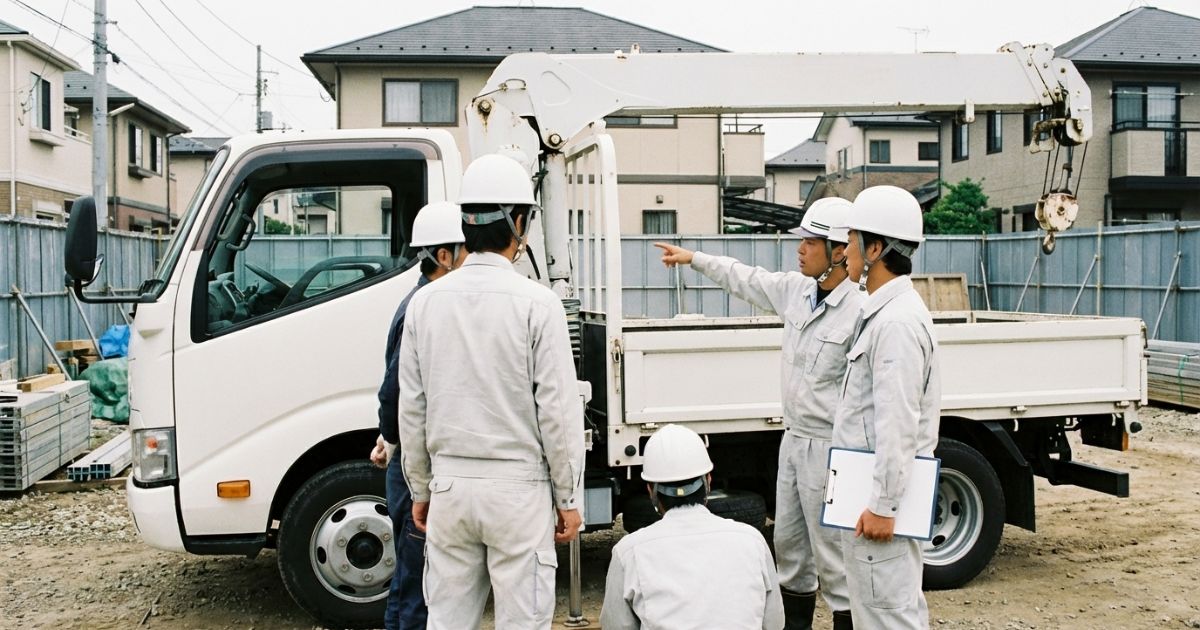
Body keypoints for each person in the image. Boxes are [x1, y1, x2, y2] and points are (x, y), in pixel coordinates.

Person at [655, 197, 861, 630]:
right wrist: (694, 258)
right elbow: (745, 279)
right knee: (789, 548)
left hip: (833, 449)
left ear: (840, 250)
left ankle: (846, 619)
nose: (800, 250)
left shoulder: (860, 311)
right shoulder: (798, 292)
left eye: (810, 242)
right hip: (794, 441)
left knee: (836, 557)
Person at [398, 153, 584, 630]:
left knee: (447, 621)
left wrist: (420, 488)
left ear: (465, 223)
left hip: (451, 488)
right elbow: (559, 413)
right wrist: (568, 496)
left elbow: (412, 410)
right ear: (519, 222)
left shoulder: (425, 304)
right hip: (519, 493)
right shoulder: (539, 305)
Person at [833, 185, 941, 629]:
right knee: (887, 611)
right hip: (869, 501)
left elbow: (899, 424)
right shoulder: (886, 313)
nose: (844, 252)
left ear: (875, 249)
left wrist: (883, 505)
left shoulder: (896, 323)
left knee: (887, 617)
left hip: (879, 510)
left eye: (853, 240)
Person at [369, 200, 467, 630]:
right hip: (415, 466)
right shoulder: (423, 307)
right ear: (443, 257)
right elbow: (395, 393)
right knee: (415, 584)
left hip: (411, 460)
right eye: (465, 251)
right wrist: (392, 439)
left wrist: (388, 438)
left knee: (418, 577)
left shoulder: (419, 301)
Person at [600, 424, 784, 630]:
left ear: (651, 490)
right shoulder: (752, 541)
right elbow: (774, 623)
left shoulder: (628, 552)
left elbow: (616, 626)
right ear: (708, 481)